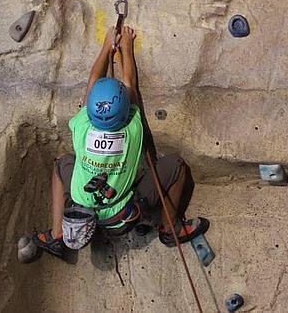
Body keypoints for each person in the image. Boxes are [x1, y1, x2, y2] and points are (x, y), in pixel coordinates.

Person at [34, 25, 209, 258]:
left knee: (61, 163)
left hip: (82, 210)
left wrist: (107, 45)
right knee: (176, 165)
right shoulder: (131, 129)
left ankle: (58, 233)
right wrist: (126, 46)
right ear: (126, 112)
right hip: (122, 218)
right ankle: (170, 228)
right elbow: (130, 84)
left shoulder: (82, 126)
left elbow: (93, 79)